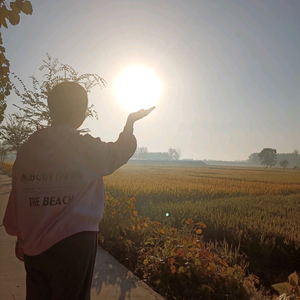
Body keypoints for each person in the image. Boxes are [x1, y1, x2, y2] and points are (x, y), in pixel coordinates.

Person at [3, 81, 155, 300]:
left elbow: (19, 199)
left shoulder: (27, 150)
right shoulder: (84, 147)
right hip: (75, 244)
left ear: (51, 109)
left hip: (34, 246)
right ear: (82, 113)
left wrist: (20, 236)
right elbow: (118, 153)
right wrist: (130, 123)